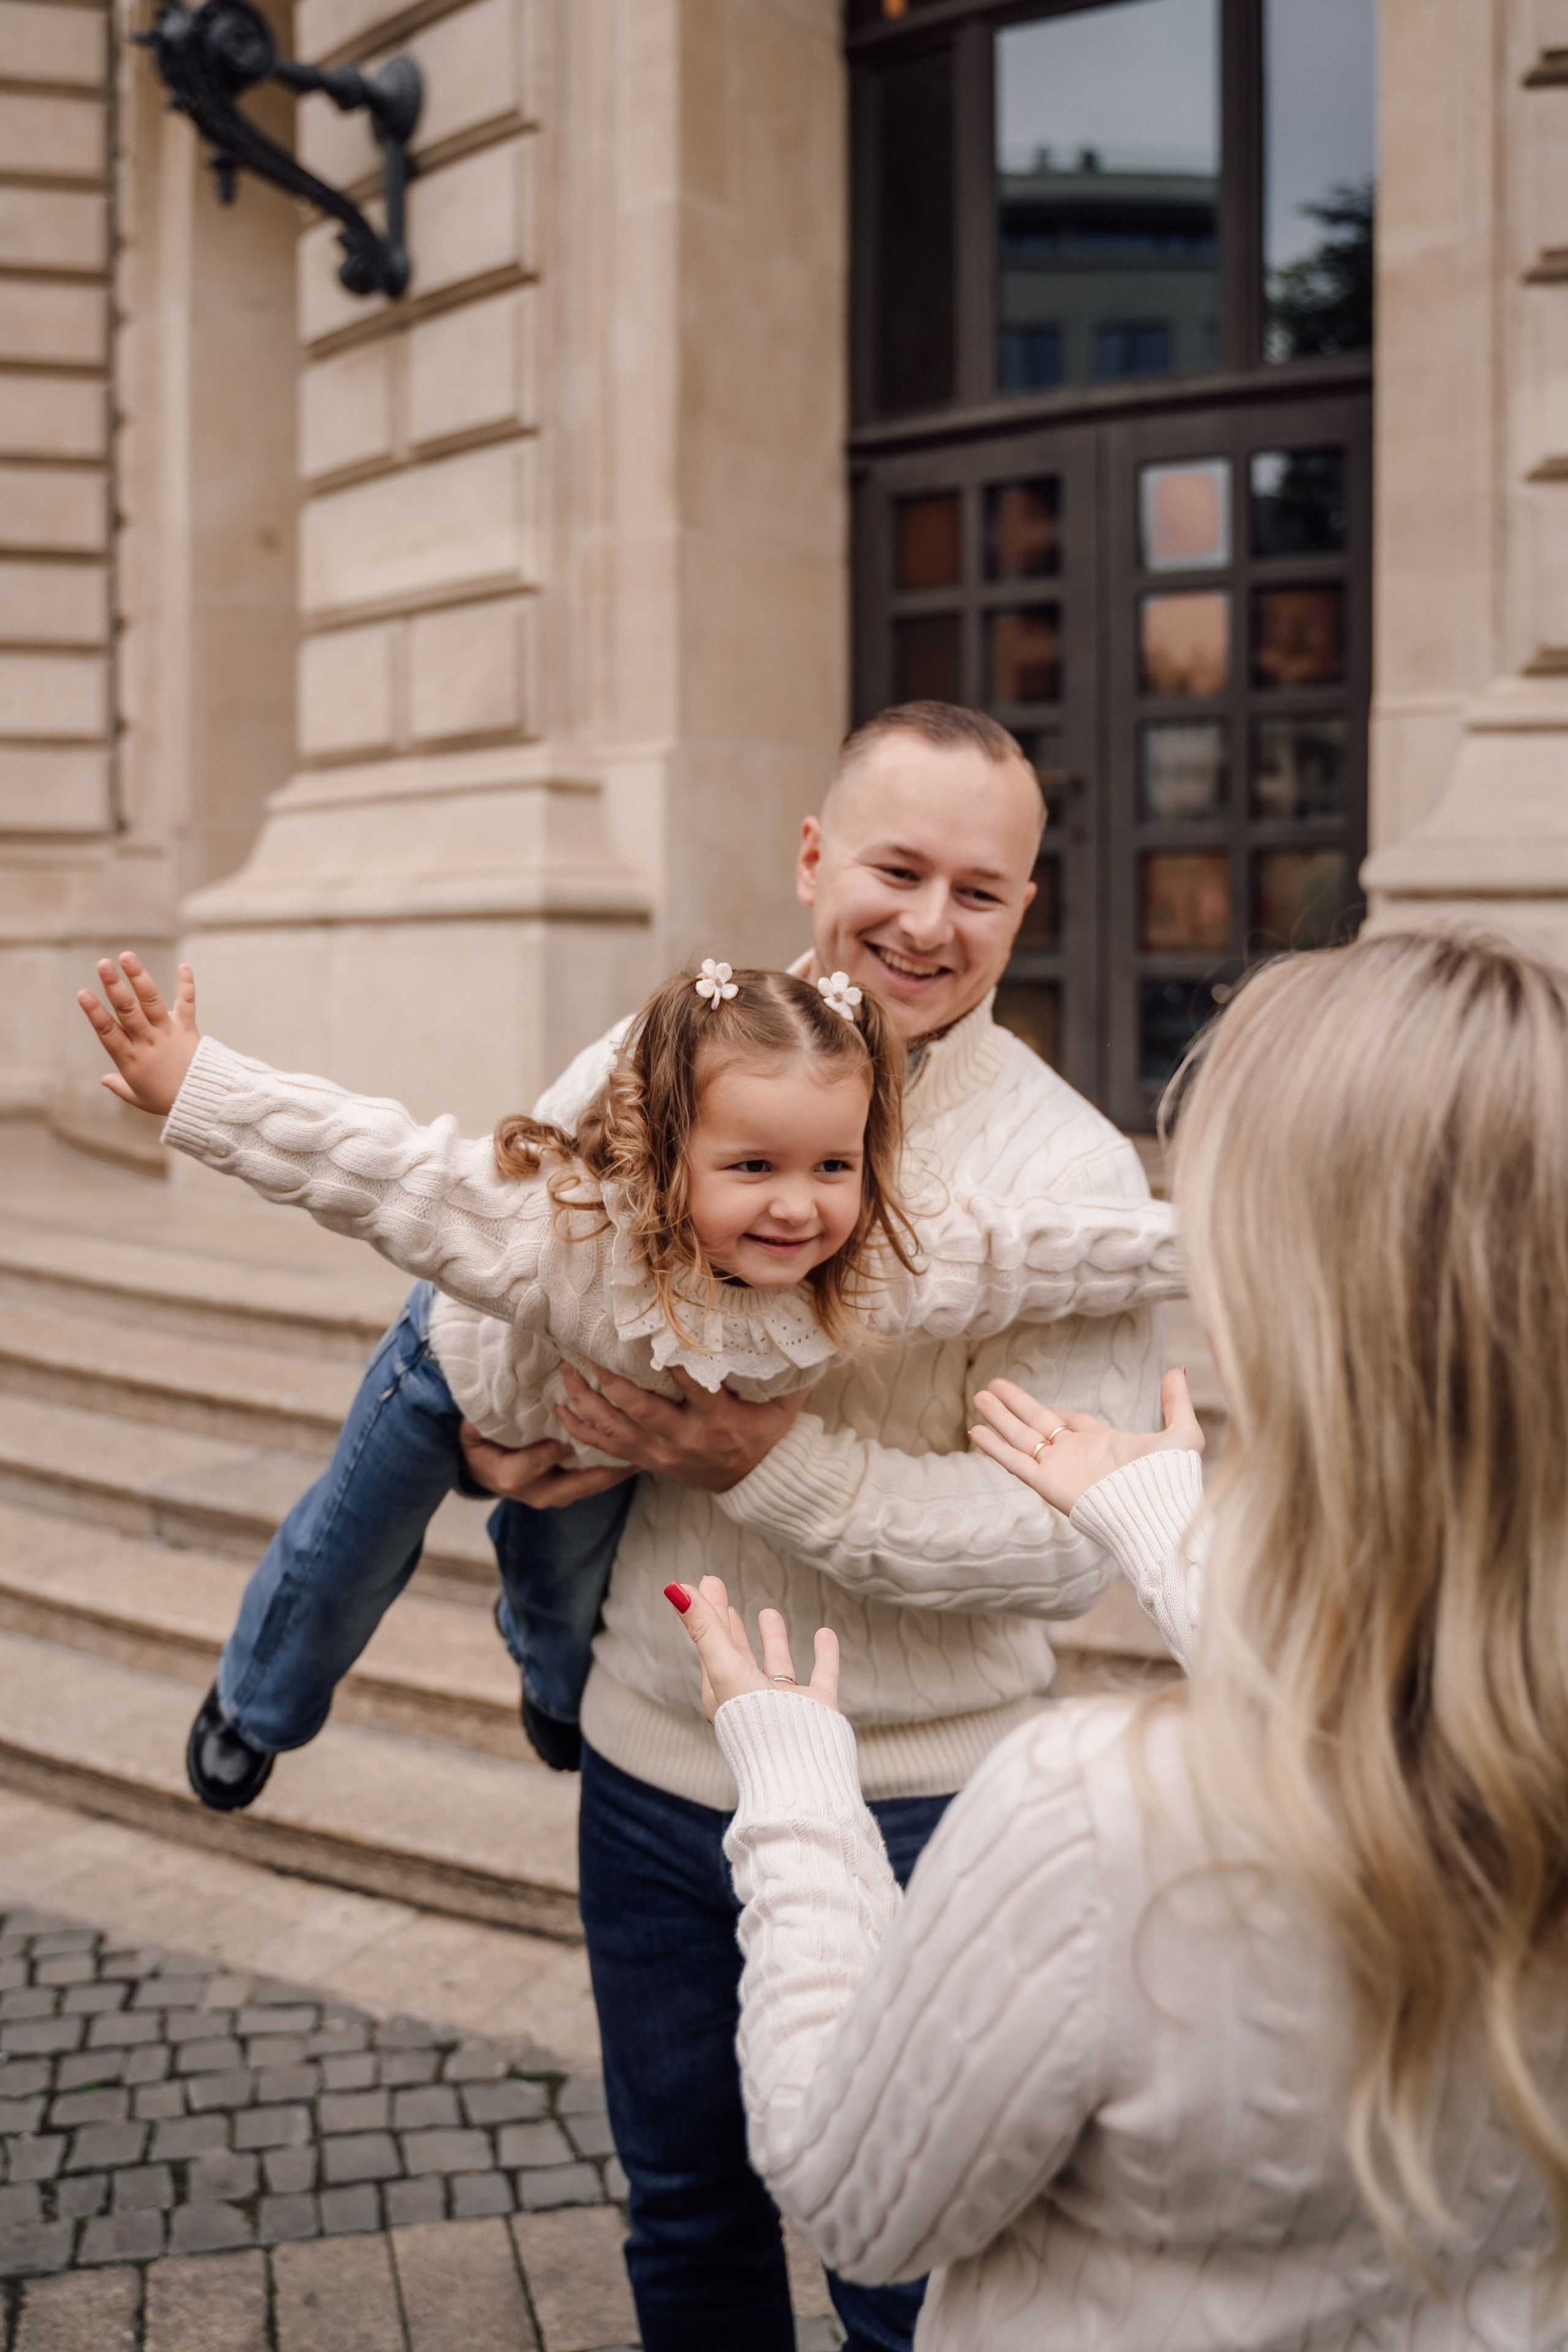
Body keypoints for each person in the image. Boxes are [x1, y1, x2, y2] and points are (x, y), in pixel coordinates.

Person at [88, 699, 1170, 2352]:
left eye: (980, 889)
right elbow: (476, 1234)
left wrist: (765, 1468)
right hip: (659, 1785)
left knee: (917, 2271)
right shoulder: (655, 1057)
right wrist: (490, 1442)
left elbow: (1063, 1549)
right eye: (897, 867)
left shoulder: (1074, 1172)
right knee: (687, 2215)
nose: (926, 922)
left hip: (930, 1803)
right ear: (814, 860)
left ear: (1028, 906)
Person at [666, 929, 1568, 2350]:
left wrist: (791, 1790)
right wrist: (1160, 1513)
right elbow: (1412, 1710)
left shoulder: (1098, 1815)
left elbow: (857, 2202)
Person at [77, 952, 1181, 1801]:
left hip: (593, 1438)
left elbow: (1037, 1254)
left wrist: (1212, 1238)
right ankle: (259, 1704)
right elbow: (382, 1172)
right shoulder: (568, 1242)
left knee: (562, 1603)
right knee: (346, 1555)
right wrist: (195, 1088)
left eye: (832, 1167)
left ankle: (551, 1695)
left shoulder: (872, 1268)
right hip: (455, 1375)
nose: (798, 1205)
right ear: (666, 1158)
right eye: (754, 1168)